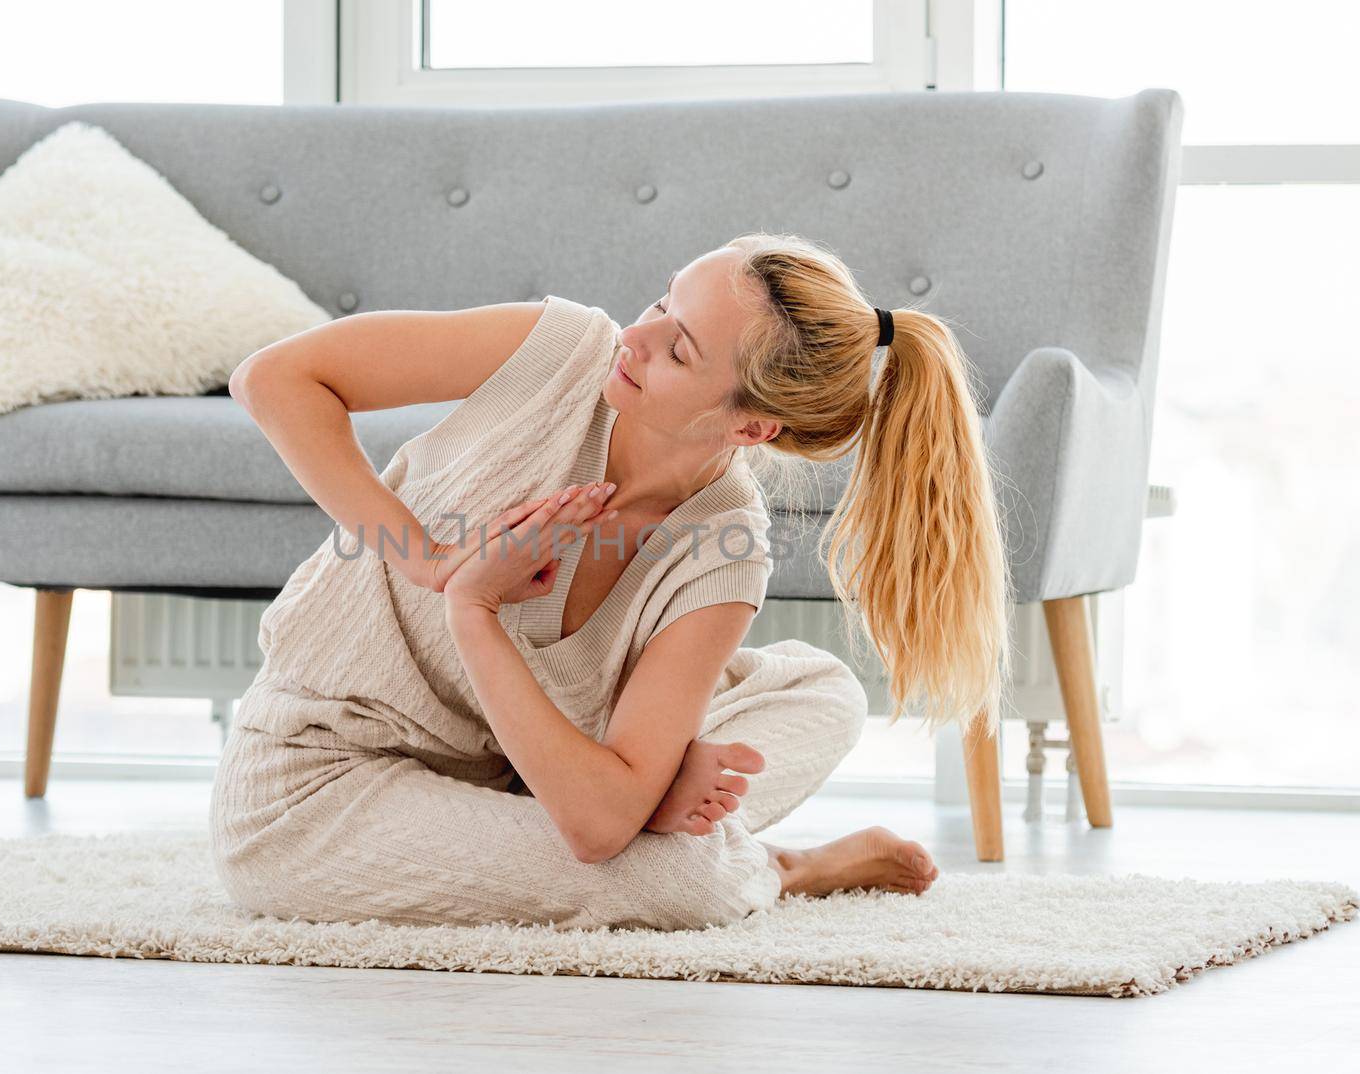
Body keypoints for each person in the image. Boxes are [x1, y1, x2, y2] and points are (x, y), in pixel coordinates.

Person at [208, 231, 1012, 931]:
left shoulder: (725, 548)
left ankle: (640, 795)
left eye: (680, 347)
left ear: (750, 427)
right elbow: (275, 378)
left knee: (825, 692)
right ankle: (786, 867)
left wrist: (481, 617)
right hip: (315, 790)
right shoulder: (560, 349)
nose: (636, 335)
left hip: (524, 784)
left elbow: (594, 828)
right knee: (679, 881)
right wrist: (435, 567)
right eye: (662, 301)